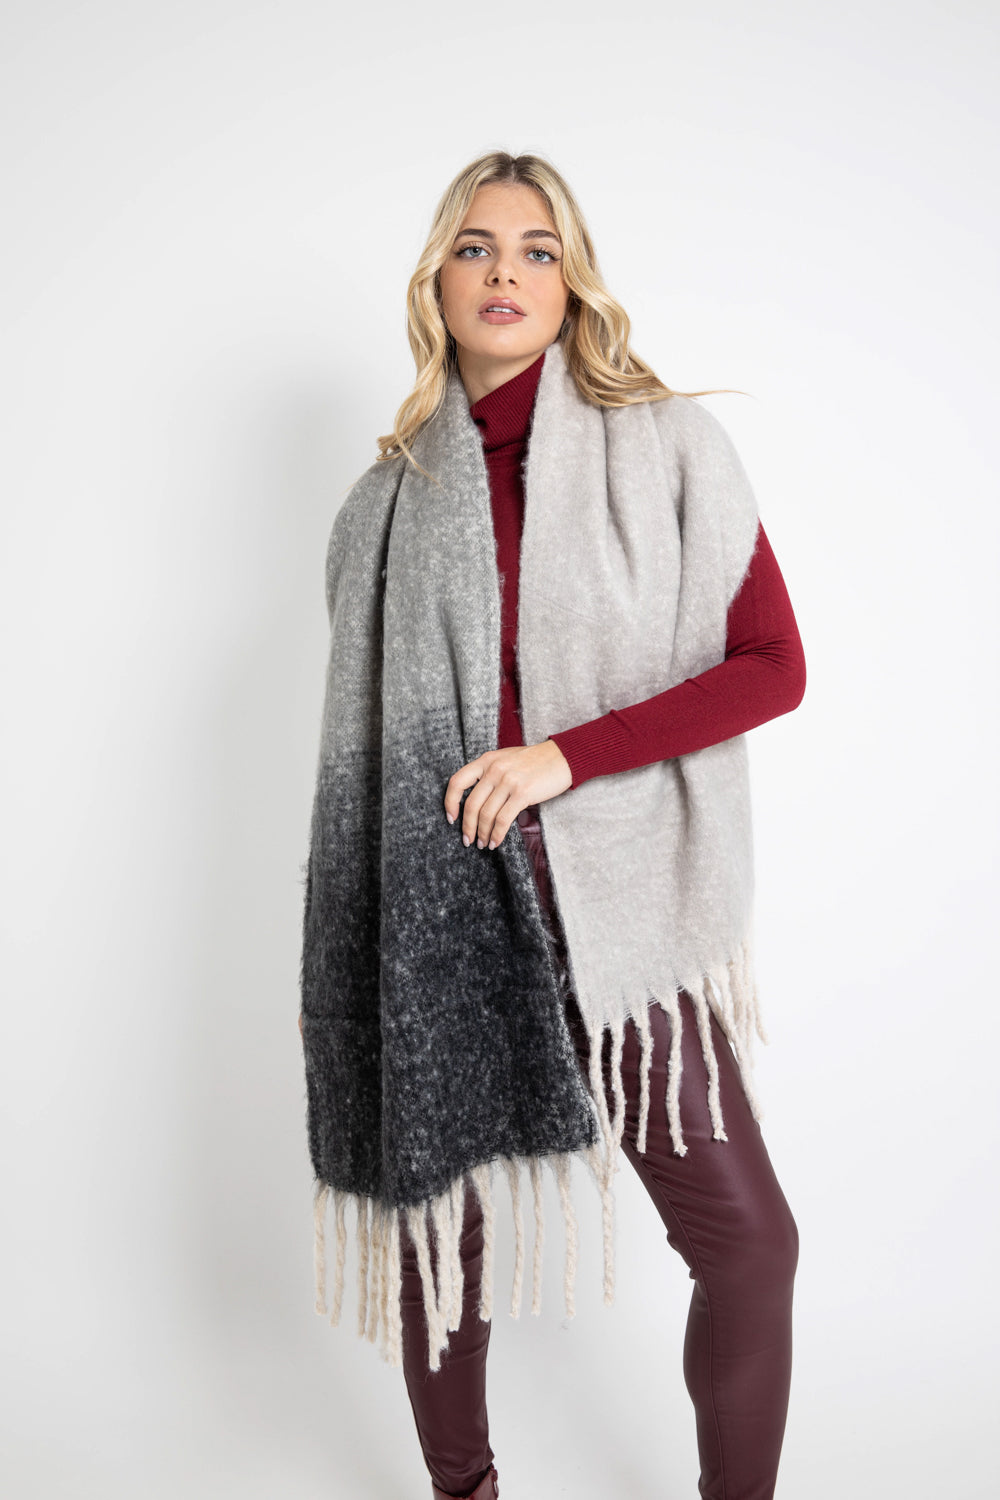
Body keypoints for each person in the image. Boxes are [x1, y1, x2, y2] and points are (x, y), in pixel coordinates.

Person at [299, 150, 805, 1500]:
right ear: (437, 281)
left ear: (573, 279)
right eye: (475, 247)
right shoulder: (385, 502)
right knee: (438, 1237)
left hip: (622, 908)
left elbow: (773, 666)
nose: (505, 273)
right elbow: (363, 750)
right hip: (443, 900)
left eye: (537, 249)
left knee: (749, 1245)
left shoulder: (669, 446)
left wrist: (563, 759)